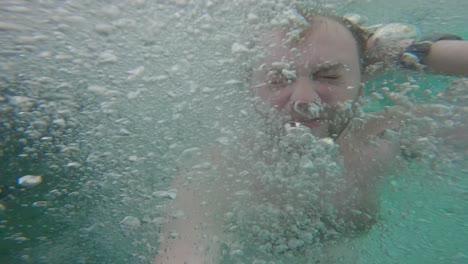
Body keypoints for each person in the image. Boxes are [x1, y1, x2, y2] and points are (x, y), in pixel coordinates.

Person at [154, 9, 468, 264]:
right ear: (250, 89)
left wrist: (407, 54)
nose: (304, 100)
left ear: (362, 80)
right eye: (279, 80)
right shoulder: (215, 179)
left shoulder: (382, 138)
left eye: (329, 75)